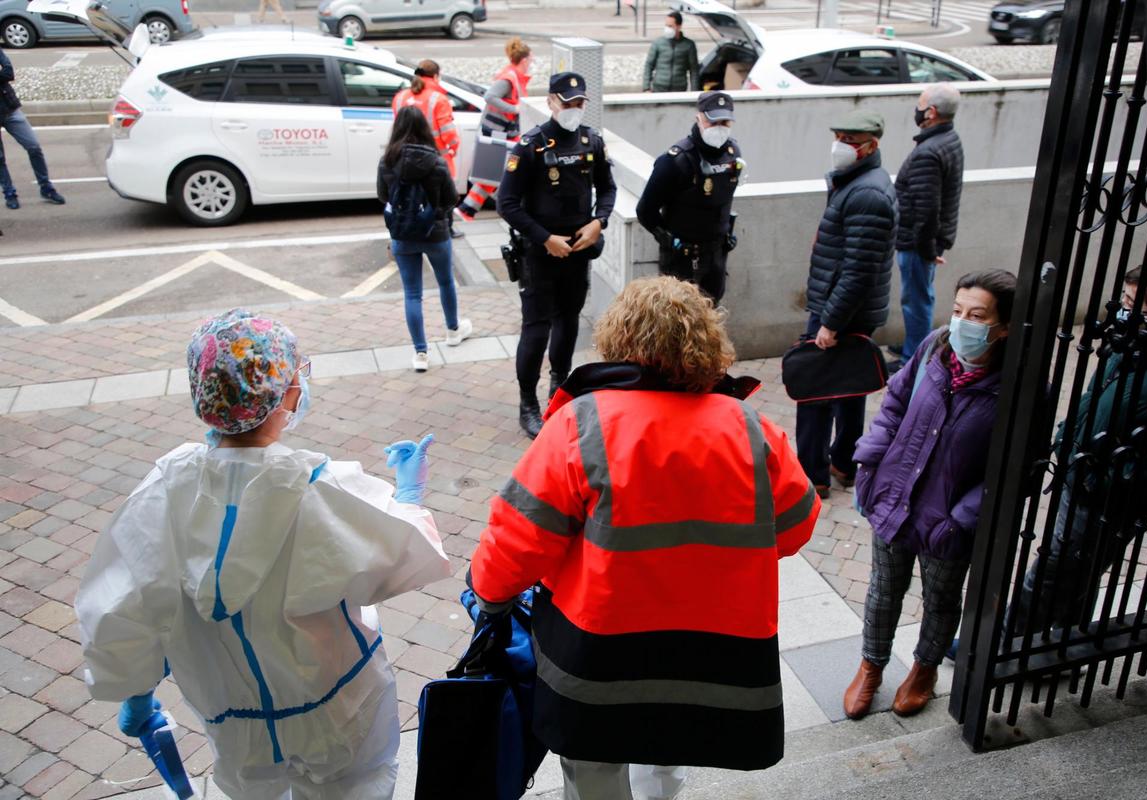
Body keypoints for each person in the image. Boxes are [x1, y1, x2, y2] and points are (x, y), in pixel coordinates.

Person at [466, 276, 821, 800]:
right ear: (706, 341)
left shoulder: (581, 425)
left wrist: (488, 595)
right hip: (714, 646)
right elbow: (796, 528)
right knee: (672, 745)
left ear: (619, 341)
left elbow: (518, 538)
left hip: (599, 650)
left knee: (594, 768)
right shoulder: (750, 428)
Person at [74, 309, 451, 799]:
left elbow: (124, 608)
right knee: (359, 788)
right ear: (287, 394)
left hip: (231, 718)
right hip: (338, 707)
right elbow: (404, 552)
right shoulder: (316, 486)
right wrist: (409, 497)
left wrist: (137, 690)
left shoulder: (165, 490)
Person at [844, 270, 1016, 720]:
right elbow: (895, 404)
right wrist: (869, 463)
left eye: (977, 315)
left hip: (949, 518)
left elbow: (1020, 464)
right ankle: (871, 666)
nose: (963, 323)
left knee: (940, 598)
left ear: (1004, 327)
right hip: (895, 496)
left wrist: (962, 518)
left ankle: (924, 670)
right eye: (958, 311)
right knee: (883, 590)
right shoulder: (935, 348)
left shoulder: (1017, 385)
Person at [1008, 266, 1147, 635]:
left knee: (1053, 570)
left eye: (1131, 303)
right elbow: (1097, 398)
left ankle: (1003, 642)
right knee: (1081, 569)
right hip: (1083, 470)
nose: (1122, 310)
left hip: (1108, 491)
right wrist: (1069, 442)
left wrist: (1102, 480)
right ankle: (1060, 643)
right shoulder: (1135, 339)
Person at [497, 71, 616, 439]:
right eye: (567, 102)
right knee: (536, 330)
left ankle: (559, 390)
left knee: (568, 322)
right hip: (540, 254)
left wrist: (599, 222)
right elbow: (506, 203)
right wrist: (544, 237)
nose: (574, 109)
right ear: (551, 101)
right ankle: (527, 402)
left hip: (578, 251)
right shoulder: (530, 146)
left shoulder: (591, 141)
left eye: (579, 103)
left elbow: (607, 189)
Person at [796, 109, 897, 499]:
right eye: (839, 136)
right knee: (849, 387)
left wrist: (830, 322)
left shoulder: (867, 193)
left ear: (871, 146)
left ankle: (812, 475)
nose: (840, 145)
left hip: (839, 311)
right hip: (847, 308)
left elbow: (858, 269)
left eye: (850, 140)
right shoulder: (857, 183)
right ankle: (843, 463)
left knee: (815, 390)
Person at [379, 106, 472, 372]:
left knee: (412, 293)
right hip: (436, 232)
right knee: (445, 282)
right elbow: (451, 198)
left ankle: (420, 353)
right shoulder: (436, 161)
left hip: (402, 234)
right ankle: (453, 331)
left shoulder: (387, 161)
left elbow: (383, 196)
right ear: (424, 128)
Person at [636, 91, 743, 303]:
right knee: (676, 319)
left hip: (716, 254)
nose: (719, 128)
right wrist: (667, 238)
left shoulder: (732, 153)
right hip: (682, 257)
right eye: (713, 122)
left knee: (710, 317)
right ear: (699, 118)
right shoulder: (677, 160)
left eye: (725, 122)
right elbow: (645, 210)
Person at [891, 83, 965, 372]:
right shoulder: (949, 139)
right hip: (928, 240)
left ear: (931, 112)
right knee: (919, 297)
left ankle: (915, 358)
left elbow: (927, 208)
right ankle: (914, 344)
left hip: (916, 242)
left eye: (921, 104)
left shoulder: (928, 151)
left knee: (917, 300)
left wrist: (927, 249)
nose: (918, 109)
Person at [458, 37, 533, 221]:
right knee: (504, 170)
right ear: (524, 60)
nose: (532, 63)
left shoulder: (513, 76)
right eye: (531, 59)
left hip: (504, 131)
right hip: (499, 131)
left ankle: (468, 208)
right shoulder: (509, 79)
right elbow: (490, 96)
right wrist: (514, 109)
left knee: (497, 171)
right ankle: (503, 206)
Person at [393, 59, 463, 239]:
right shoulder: (438, 99)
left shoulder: (400, 97)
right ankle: (447, 228)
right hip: (435, 154)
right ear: (436, 76)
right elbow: (448, 131)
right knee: (442, 194)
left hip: (405, 153)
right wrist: (453, 147)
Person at [1, 47, 65, 210]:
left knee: (34, 147)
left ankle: (46, 187)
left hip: (10, 108)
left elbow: (9, 73)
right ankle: (9, 193)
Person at [642, 11, 699, 93]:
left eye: (670, 26)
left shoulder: (689, 45)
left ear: (679, 26)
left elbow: (694, 70)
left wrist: (694, 92)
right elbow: (649, 65)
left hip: (679, 89)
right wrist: (646, 87)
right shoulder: (658, 43)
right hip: (659, 88)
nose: (667, 29)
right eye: (666, 25)